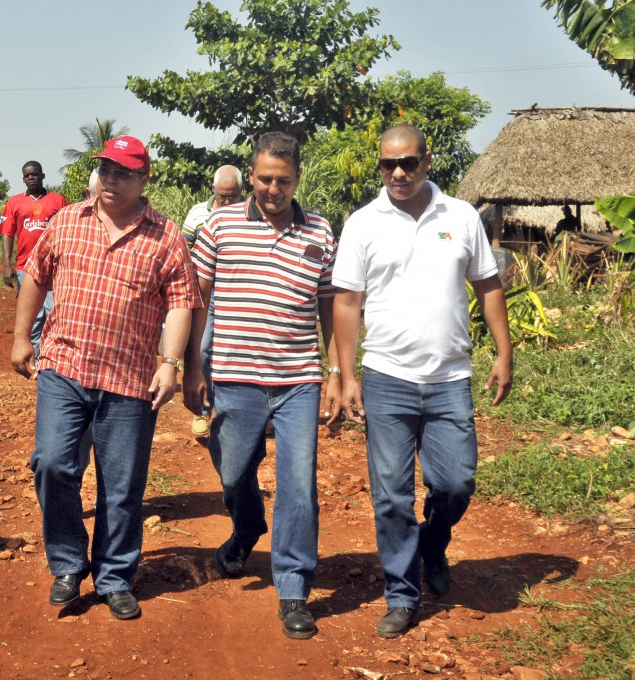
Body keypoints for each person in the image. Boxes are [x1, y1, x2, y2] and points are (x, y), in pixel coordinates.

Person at [331, 124, 513, 639]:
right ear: (380, 167)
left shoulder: (460, 216)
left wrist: (505, 350)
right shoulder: (364, 224)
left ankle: (433, 543)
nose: (398, 173)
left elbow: (488, 284)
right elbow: (346, 302)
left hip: (450, 377)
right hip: (386, 376)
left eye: (408, 162)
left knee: (455, 483)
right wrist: (346, 375)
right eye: (388, 165)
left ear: (427, 161)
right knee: (391, 495)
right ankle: (402, 593)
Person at [11, 135, 201, 620]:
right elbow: (35, 276)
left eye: (123, 173)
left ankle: (115, 575)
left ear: (144, 179)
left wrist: (170, 362)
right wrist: (20, 338)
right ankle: (69, 564)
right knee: (53, 464)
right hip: (64, 366)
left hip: (131, 378)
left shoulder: (167, 237)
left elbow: (181, 303)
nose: (111, 180)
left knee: (122, 486)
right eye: (106, 170)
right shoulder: (67, 221)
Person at [182, 132, 341, 640]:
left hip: (298, 380)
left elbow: (328, 306)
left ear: (298, 179)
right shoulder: (219, 225)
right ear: (251, 176)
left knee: (298, 485)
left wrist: (337, 371)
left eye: (284, 180)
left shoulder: (319, 230)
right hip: (234, 375)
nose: (274, 189)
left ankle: (293, 587)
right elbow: (198, 300)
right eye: (265, 179)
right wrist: (194, 365)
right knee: (233, 474)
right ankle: (247, 526)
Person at [179, 165, 243, 437]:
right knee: (203, 349)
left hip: (238, 292)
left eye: (233, 197)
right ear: (213, 190)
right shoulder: (197, 215)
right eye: (222, 196)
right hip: (205, 292)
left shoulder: (250, 215)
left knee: (239, 352)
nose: (227, 202)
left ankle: (244, 414)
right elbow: (184, 251)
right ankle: (204, 411)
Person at [0, 161, 68, 357]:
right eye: (27, 175)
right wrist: (7, 265)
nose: (31, 178)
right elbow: (7, 234)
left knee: (55, 312)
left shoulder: (58, 201)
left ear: (43, 176)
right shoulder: (14, 202)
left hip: (54, 269)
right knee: (33, 316)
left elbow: (69, 231)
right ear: (23, 179)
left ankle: (54, 359)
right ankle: (35, 360)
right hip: (25, 267)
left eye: (35, 174)